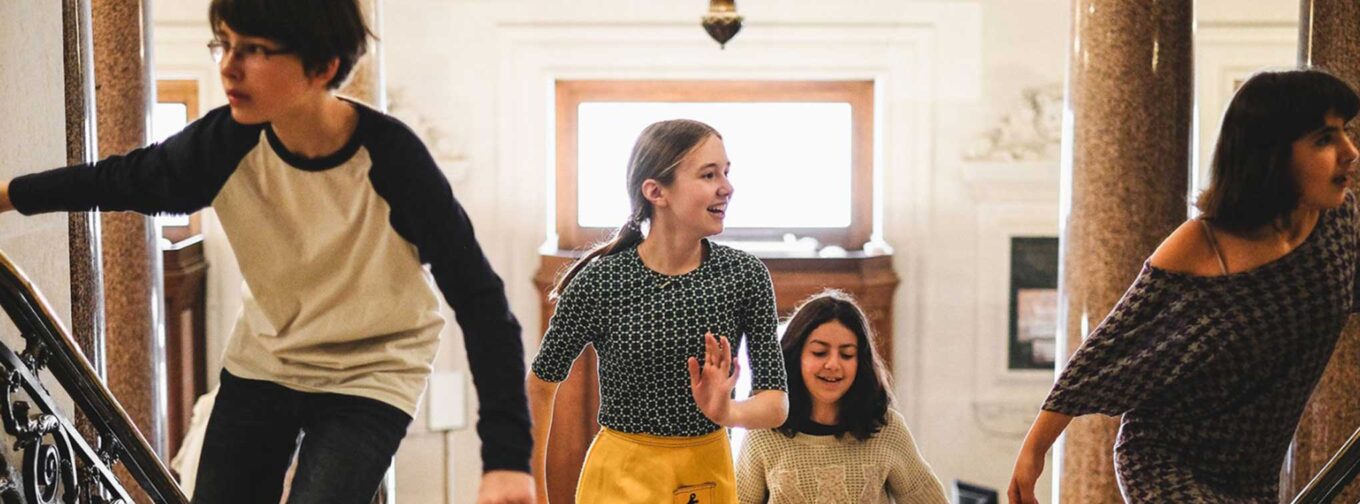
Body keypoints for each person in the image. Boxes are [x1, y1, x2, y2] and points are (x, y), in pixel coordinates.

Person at [0, 0, 533, 502]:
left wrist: (506, 457)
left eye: (254, 50)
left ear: (322, 66)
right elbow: (122, 180)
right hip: (268, 361)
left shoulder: (393, 159)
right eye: (224, 44)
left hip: (373, 367)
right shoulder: (224, 143)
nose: (229, 68)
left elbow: (482, 304)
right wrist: (6, 196)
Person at [1008, 68, 1360, 503]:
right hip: (1167, 460)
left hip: (1254, 477)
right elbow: (1108, 346)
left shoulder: (1339, 223)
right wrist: (1033, 450)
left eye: (1345, 132)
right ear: (1271, 154)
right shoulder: (1203, 242)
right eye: (1324, 139)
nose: (1350, 152)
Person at [527, 119, 789, 503]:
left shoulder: (745, 275)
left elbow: (776, 404)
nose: (727, 187)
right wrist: (533, 495)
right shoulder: (601, 281)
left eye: (726, 173)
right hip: (619, 477)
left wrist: (725, 411)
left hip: (707, 475)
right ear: (655, 191)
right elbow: (540, 385)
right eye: (708, 174)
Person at [736, 289, 947, 504]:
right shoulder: (764, 434)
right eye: (819, 352)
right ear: (795, 356)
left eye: (846, 354)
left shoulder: (887, 429)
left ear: (860, 363)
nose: (833, 365)